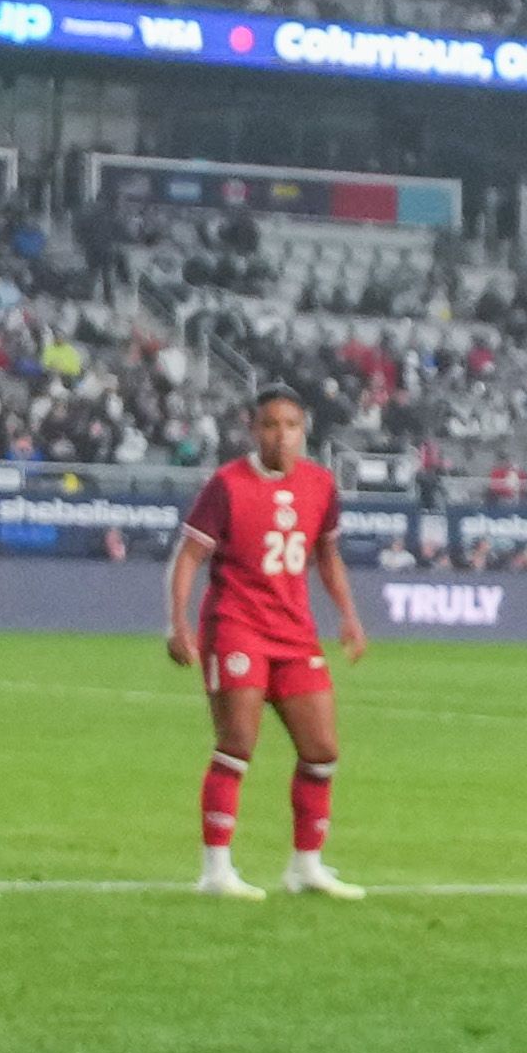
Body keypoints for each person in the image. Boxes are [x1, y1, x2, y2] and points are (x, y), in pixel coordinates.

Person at [166, 383, 370, 894]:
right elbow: (189, 556)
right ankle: (216, 869)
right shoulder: (228, 484)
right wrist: (179, 623)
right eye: (271, 425)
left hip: (295, 632)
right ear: (254, 430)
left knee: (322, 749)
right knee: (237, 743)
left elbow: (327, 555)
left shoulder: (321, 485)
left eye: (292, 426)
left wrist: (348, 615)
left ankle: (305, 866)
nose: (282, 436)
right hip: (237, 626)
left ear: (305, 432)